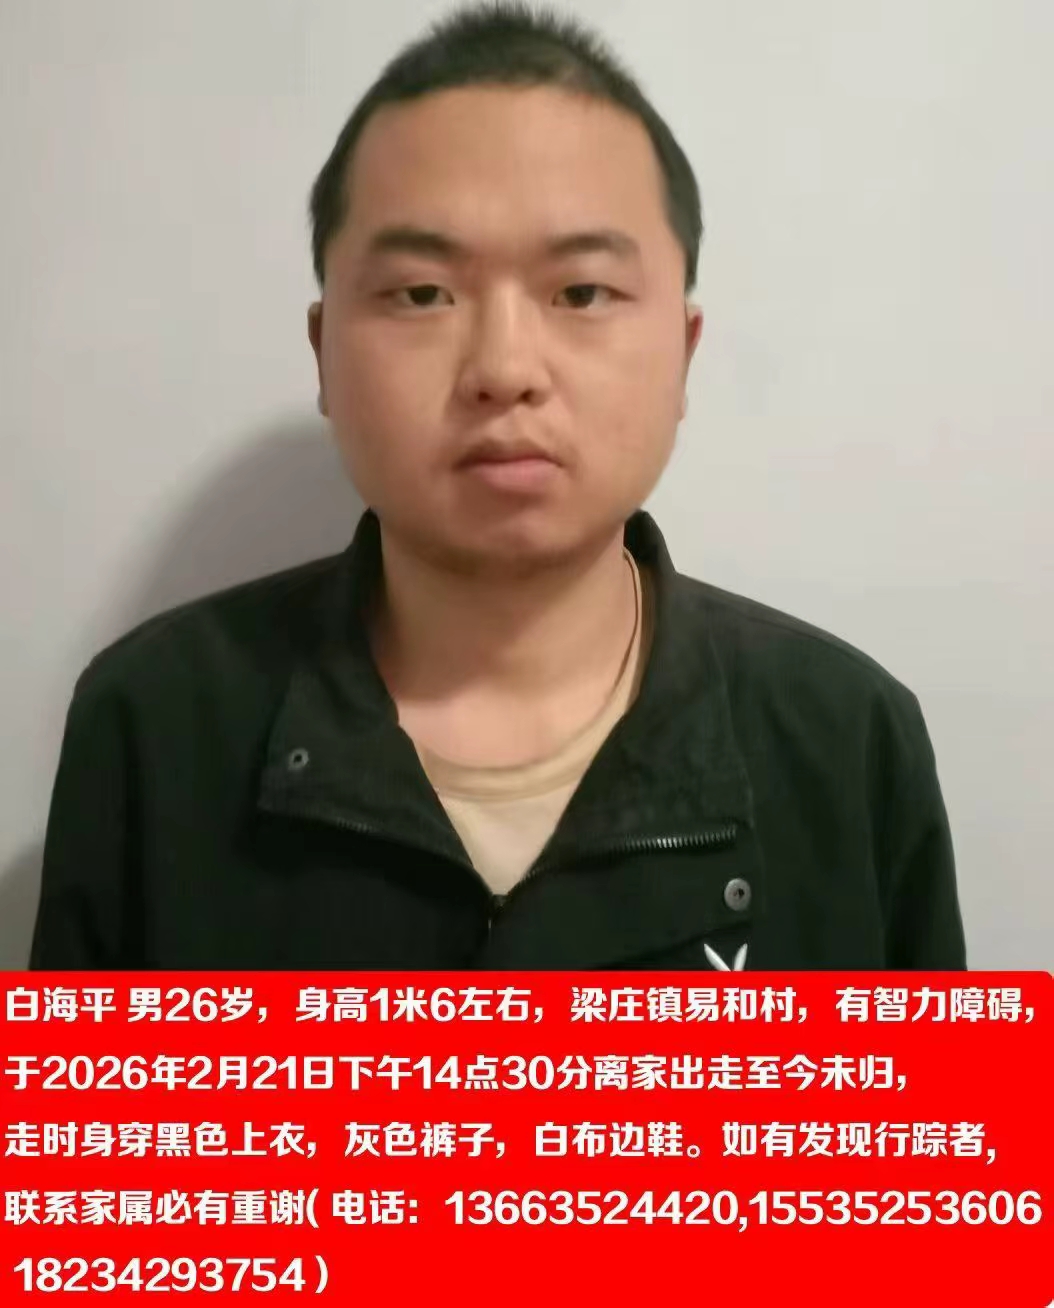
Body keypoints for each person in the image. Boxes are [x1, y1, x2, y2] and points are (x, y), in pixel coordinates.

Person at [29, 1, 966, 971]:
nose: (504, 368)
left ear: (683, 355)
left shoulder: (847, 740)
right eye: (422, 293)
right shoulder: (154, 727)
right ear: (324, 353)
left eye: (581, 292)